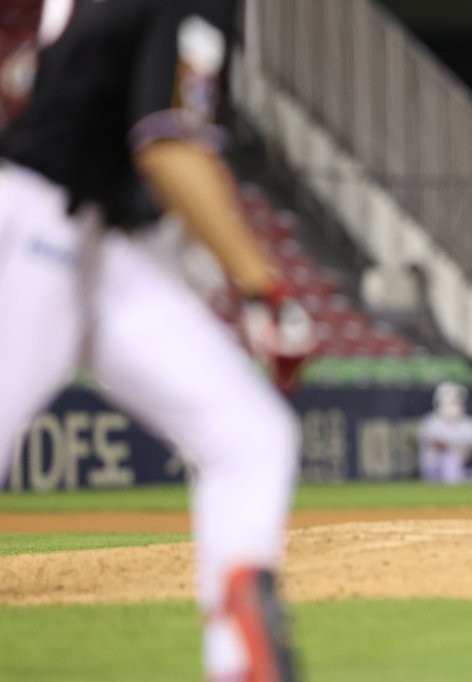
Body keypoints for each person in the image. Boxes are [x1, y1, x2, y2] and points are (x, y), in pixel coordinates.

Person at [0, 1, 315, 679]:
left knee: (250, 436)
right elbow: (169, 146)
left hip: (95, 246)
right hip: (30, 228)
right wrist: (262, 286)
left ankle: (242, 665)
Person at [419, 382, 472, 485]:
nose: (457, 402)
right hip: (435, 467)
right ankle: (452, 487)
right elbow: (439, 446)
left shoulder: (468, 422)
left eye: (458, 400)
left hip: (464, 461)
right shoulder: (431, 422)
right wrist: (460, 451)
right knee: (450, 457)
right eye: (453, 400)